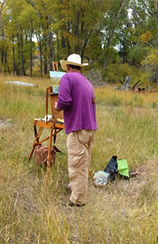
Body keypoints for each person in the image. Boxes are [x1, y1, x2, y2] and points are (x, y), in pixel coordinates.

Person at [54, 54, 97, 207]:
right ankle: (76, 188)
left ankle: (78, 199)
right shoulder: (87, 82)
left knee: (76, 163)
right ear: (79, 67)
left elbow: (64, 100)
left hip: (79, 127)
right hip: (90, 128)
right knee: (83, 163)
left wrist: (56, 107)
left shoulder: (68, 77)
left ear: (67, 66)